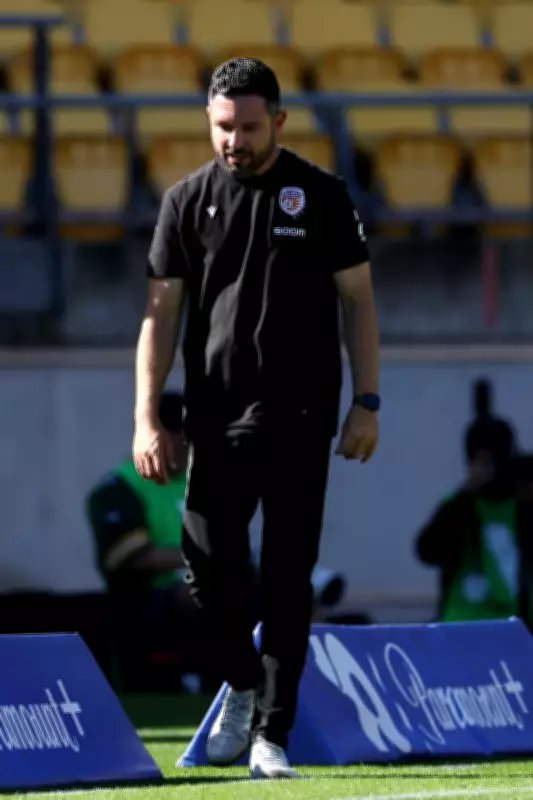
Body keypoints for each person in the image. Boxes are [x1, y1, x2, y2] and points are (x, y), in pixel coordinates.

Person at [132, 58, 380, 779]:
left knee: (286, 576)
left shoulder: (321, 195)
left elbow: (359, 300)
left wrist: (366, 401)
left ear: (278, 120)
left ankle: (272, 733)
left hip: (301, 415)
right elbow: (159, 315)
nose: (233, 140)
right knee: (205, 564)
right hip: (214, 415)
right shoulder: (185, 201)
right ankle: (241, 683)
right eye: (222, 127)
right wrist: (147, 418)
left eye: (246, 126)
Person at [86, 392, 208, 683]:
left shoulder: (199, 483)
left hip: (207, 581)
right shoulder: (122, 487)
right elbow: (129, 557)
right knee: (201, 592)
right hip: (148, 597)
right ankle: (197, 677)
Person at [415, 381, 533, 628]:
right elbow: (428, 550)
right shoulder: (461, 504)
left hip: (515, 625)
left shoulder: (522, 505)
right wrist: (467, 493)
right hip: (463, 623)